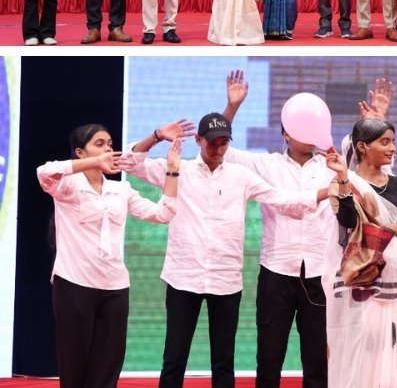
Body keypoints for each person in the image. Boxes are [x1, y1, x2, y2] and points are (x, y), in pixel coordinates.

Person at [125, 112, 335, 388]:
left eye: (223, 142)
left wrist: (324, 192)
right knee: (174, 358)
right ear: (198, 140)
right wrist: (155, 136)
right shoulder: (178, 168)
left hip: (226, 280)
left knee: (224, 362)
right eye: (212, 142)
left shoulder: (241, 176)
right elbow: (129, 162)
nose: (218, 148)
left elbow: (282, 199)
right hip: (183, 276)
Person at [37, 122, 187, 388]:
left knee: (108, 366)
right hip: (74, 283)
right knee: (74, 366)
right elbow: (44, 171)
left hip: (115, 286)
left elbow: (163, 214)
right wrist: (94, 163)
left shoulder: (120, 190)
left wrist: (172, 170)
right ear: (80, 152)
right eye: (99, 144)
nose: (108, 149)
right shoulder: (68, 185)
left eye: (109, 144)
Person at [219, 70, 335, 388]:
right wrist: (232, 107)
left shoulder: (331, 167)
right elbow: (223, 150)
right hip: (276, 271)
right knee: (269, 357)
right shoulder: (267, 165)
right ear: (286, 134)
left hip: (319, 272)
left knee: (318, 358)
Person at [326, 118, 397, 388]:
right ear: (362, 146)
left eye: (393, 142)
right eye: (385, 142)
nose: (393, 148)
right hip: (362, 285)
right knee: (361, 356)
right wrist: (342, 177)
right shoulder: (346, 183)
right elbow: (348, 221)